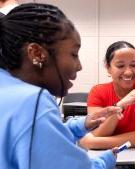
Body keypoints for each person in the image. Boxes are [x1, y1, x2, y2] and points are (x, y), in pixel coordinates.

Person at [0, 3, 122, 169]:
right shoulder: (32, 101)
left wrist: (81, 125)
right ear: (37, 53)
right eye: (73, 54)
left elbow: (29, 139)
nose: (79, 66)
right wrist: (106, 160)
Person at [80, 41, 135, 149]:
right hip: (109, 156)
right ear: (108, 68)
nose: (128, 72)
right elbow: (97, 133)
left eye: (134, 65)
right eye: (120, 66)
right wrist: (119, 106)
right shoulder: (97, 92)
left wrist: (93, 143)